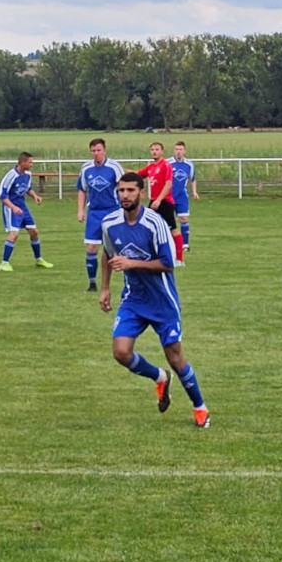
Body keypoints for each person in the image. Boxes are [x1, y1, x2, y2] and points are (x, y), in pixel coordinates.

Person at [100, 172, 210, 428]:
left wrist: (131, 263)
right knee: (121, 352)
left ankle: (200, 406)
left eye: (130, 190)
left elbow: (168, 264)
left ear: (141, 193)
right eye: (121, 190)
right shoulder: (109, 223)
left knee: (175, 357)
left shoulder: (155, 223)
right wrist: (104, 288)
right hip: (133, 299)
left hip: (162, 300)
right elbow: (107, 254)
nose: (125, 195)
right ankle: (160, 378)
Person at [77, 138, 125, 292]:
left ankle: (130, 280)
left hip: (112, 211)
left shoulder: (114, 167)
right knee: (91, 248)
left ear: (104, 150)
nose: (96, 153)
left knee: (117, 247)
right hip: (94, 214)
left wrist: (125, 209)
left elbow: (124, 187)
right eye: (93, 151)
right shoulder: (86, 169)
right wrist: (80, 210)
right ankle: (92, 283)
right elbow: (82, 190)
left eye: (99, 150)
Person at [0, 152, 54, 272]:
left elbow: (27, 188)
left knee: (34, 232)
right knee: (14, 234)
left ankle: (39, 260)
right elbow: (2, 196)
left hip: (22, 207)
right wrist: (13, 208)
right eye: (30, 162)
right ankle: (4, 263)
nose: (31, 165)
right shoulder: (11, 176)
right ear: (22, 162)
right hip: (11, 208)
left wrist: (35, 196)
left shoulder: (28, 174)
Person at [136, 141, 184, 265]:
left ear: (162, 151)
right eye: (152, 149)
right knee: (147, 227)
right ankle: (150, 255)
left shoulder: (166, 165)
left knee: (173, 229)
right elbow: (137, 175)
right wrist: (120, 170)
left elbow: (168, 184)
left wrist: (159, 199)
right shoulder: (151, 167)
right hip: (154, 201)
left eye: (157, 149)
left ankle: (179, 259)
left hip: (165, 202)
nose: (154, 152)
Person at [171, 141, 199, 251]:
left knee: (183, 218)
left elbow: (193, 179)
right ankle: (171, 243)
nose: (178, 152)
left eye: (180, 149)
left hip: (182, 196)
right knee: (169, 221)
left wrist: (194, 192)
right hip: (169, 196)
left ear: (184, 151)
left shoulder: (189, 164)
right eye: (176, 149)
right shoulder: (167, 163)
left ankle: (185, 245)